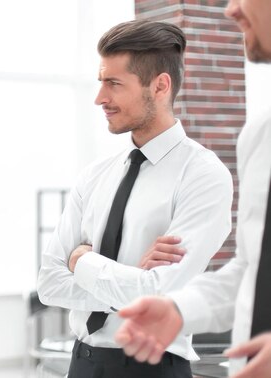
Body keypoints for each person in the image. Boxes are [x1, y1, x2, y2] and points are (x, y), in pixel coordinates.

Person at [36, 20, 234, 378]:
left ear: (160, 86)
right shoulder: (95, 175)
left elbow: (160, 295)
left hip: (154, 368)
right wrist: (129, 287)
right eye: (100, 82)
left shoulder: (204, 176)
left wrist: (82, 261)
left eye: (113, 84)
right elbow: (49, 282)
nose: (99, 98)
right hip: (80, 365)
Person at [115, 1, 271, 377]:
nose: (231, 10)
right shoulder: (259, 137)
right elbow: (253, 274)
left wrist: (83, 263)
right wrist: (179, 309)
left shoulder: (203, 172)